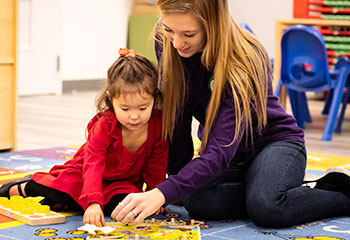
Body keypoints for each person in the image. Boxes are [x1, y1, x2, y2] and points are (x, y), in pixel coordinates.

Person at [111, 0, 350, 228]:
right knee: (195, 199)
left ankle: (339, 194)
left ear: (213, 24)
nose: (176, 43)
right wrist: (171, 185)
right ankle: (263, 187)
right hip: (230, 156)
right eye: (170, 30)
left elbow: (218, 154)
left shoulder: (245, 58)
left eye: (188, 35)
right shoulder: (167, 39)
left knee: (267, 207)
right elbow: (177, 117)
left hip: (274, 143)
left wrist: (163, 191)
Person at [0, 48, 168, 227]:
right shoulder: (105, 124)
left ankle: (68, 203)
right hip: (84, 175)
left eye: (143, 108)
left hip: (121, 183)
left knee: (126, 206)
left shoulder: (158, 126)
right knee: (64, 189)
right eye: (125, 109)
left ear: (154, 99)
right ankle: (27, 186)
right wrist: (93, 202)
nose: (134, 116)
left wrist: (154, 194)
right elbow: (93, 164)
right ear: (112, 100)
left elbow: (156, 166)